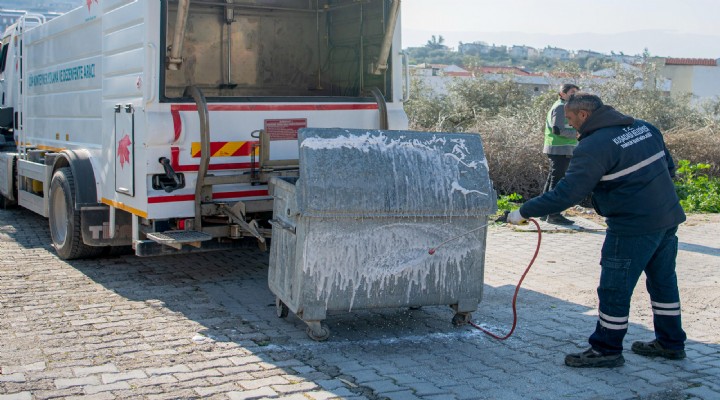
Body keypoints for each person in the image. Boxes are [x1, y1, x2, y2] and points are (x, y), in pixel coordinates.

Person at [508, 92, 687, 368]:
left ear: (584, 115)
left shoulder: (594, 146)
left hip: (631, 226)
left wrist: (522, 211)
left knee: (614, 289)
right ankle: (671, 343)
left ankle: (606, 349)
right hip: (667, 218)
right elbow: (669, 167)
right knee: (663, 283)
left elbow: (566, 194)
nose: (569, 125)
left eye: (569, 119)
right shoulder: (644, 127)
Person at [542, 83, 579, 225]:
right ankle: (553, 214)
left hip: (562, 148)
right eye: (572, 92)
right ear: (562, 93)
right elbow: (557, 129)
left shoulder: (565, 106)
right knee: (557, 182)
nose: (574, 94)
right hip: (559, 149)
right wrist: (576, 134)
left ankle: (544, 212)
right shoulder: (559, 107)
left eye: (576, 92)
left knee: (552, 180)